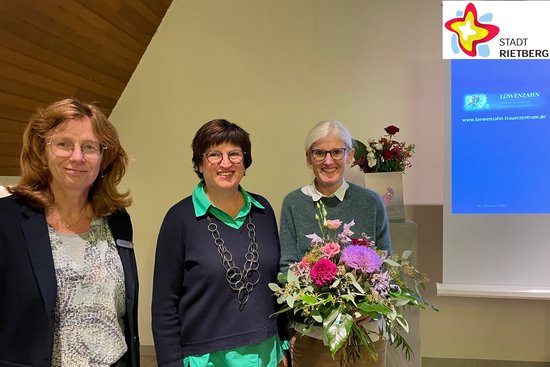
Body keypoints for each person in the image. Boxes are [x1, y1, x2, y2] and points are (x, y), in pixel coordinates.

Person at [0, 98, 140, 367]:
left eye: (89, 147)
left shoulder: (117, 220)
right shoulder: (7, 219)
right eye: (63, 144)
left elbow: (122, 314)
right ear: (42, 150)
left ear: (104, 158)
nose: (77, 157)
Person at [152, 119, 286, 367]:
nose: (226, 163)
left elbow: (276, 285)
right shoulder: (179, 219)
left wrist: (284, 343)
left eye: (234, 154)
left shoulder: (263, 210)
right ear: (200, 163)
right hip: (207, 358)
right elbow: (164, 305)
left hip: (267, 353)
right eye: (214, 154)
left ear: (245, 162)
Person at [279, 120, 392, 367]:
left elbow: (387, 265)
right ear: (309, 158)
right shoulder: (293, 204)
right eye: (319, 152)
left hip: (366, 334)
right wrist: (323, 306)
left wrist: (369, 308)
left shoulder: (371, 202)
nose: (328, 161)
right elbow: (286, 267)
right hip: (313, 337)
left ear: (350, 155)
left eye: (336, 152)